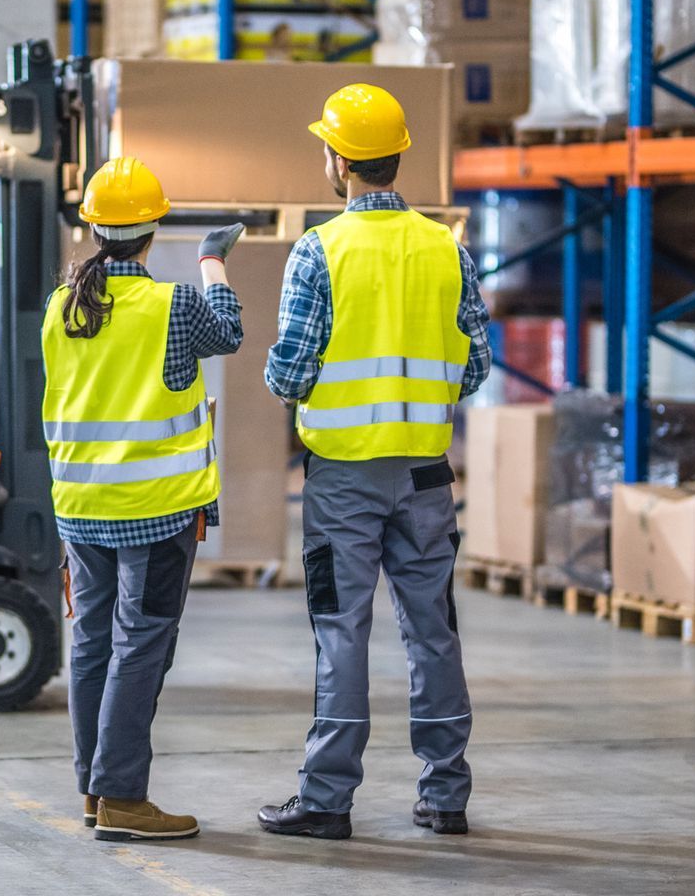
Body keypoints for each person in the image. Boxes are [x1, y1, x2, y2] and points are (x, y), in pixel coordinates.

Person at [256, 84, 492, 841]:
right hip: (426, 473)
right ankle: (446, 796)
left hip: (344, 479)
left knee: (341, 630)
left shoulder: (318, 251)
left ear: (337, 159)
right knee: (434, 629)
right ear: (398, 156)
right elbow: (476, 367)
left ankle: (328, 799)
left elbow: (289, 375)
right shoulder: (446, 247)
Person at [41, 157, 245, 843]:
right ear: (154, 227)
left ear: (93, 226)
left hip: (80, 507)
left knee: (93, 643)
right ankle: (124, 797)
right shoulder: (174, 304)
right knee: (142, 647)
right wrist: (212, 261)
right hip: (157, 511)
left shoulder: (62, 305)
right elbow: (231, 333)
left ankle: (95, 791)